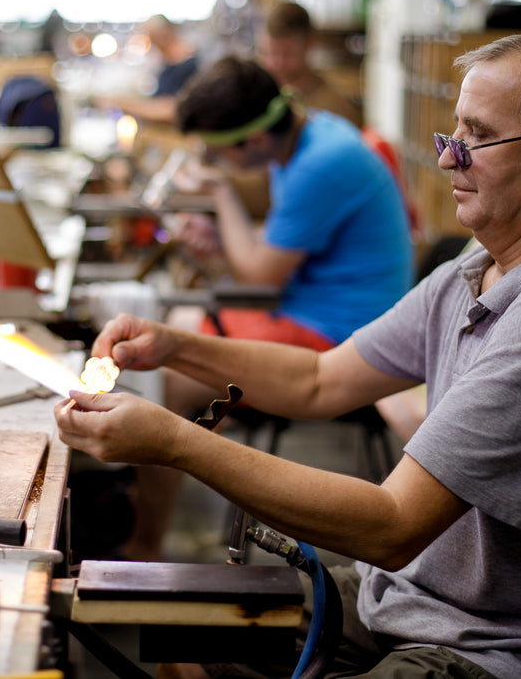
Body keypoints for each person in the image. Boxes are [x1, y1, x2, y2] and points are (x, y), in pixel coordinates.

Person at [56, 32, 521, 677]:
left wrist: (176, 443)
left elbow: (392, 525)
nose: (447, 160)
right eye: (450, 135)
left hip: (512, 649)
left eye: (476, 137)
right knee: (184, 643)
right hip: (422, 596)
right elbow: (323, 380)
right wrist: (177, 347)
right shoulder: (478, 270)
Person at [109, 56, 414, 562]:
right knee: (174, 338)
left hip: (345, 335)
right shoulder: (312, 135)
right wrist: (217, 245)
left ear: (252, 141)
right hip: (318, 307)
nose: (213, 161)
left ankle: (145, 545)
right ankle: (184, 472)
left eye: (217, 151)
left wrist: (222, 196)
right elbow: (271, 257)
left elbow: (259, 276)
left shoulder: (320, 164)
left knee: (157, 379)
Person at [256, 1, 363, 128]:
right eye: (269, 53)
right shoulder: (257, 98)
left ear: (311, 43)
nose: (276, 63)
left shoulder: (336, 108)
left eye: (287, 53)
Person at [94, 15, 200, 125]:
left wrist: (118, 103)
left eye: (152, 39)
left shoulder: (189, 66)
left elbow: (170, 110)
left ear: (163, 36)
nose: (151, 45)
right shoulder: (168, 64)